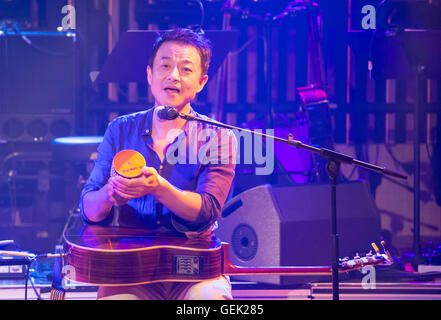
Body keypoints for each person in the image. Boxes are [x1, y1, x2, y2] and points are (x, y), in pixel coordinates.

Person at [79, 28, 237, 300]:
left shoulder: (219, 137)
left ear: (201, 82)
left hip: (195, 269)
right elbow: (88, 209)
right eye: (165, 66)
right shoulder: (120, 129)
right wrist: (109, 194)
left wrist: (158, 187)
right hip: (129, 270)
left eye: (186, 69)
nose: (173, 76)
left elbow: (207, 211)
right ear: (150, 75)